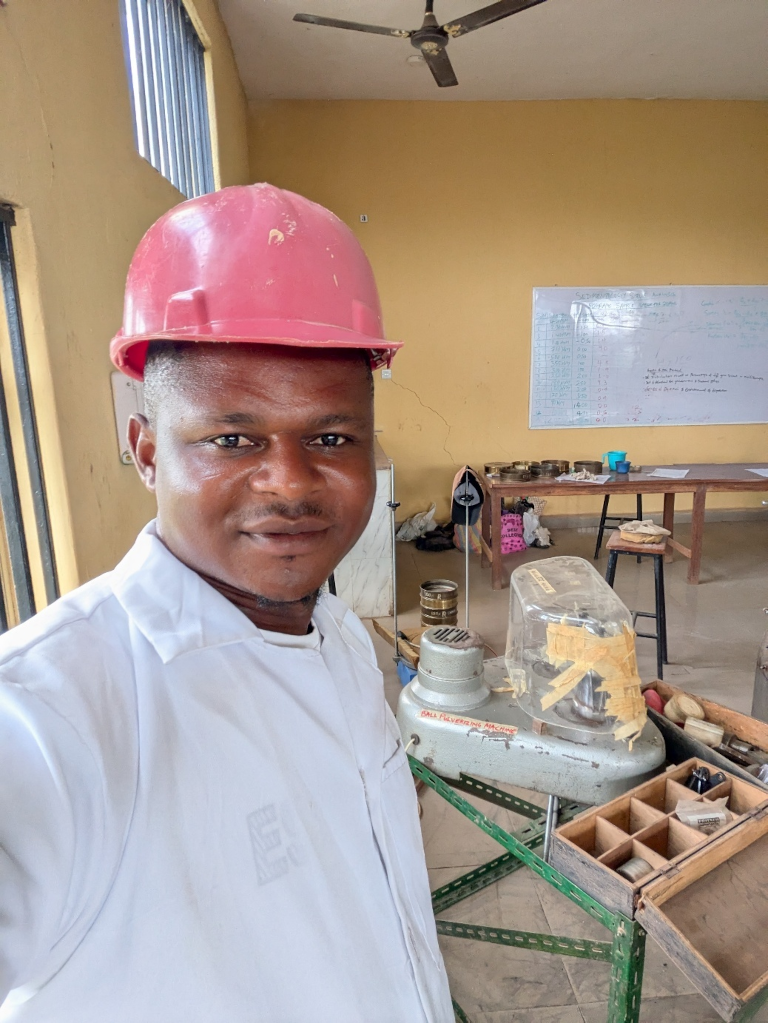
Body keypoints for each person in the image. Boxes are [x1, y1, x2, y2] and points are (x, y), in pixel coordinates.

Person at [0, 184, 453, 1022]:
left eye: (331, 437)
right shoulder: (53, 712)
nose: (289, 480)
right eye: (232, 439)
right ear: (144, 451)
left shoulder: (345, 641)